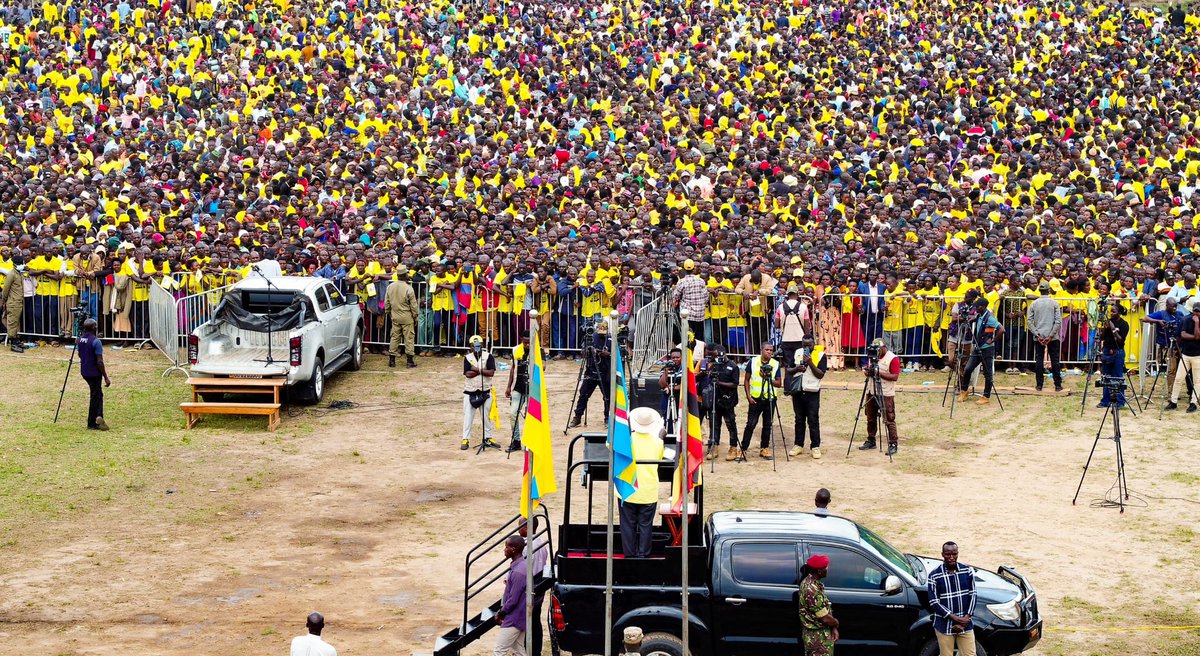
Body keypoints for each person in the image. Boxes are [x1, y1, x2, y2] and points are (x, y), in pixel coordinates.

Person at [622, 407, 665, 559]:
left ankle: (629, 555)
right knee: (646, 525)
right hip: (648, 491)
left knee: (628, 524)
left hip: (628, 489)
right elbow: (660, 457)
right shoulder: (658, 443)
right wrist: (661, 437)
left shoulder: (626, 441)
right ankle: (643, 555)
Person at [928, 542, 977, 656]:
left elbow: (973, 595)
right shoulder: (934, 575)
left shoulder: (967, 571)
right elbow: (933, 601)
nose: (951, 558)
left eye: (954, 554)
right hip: (944, 624)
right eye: (947, 554)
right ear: (942, 554)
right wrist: (955, 618)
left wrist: (966, 618)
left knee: (970, 654)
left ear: (957, 554)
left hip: (965, 623)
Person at [1143, 297, 1188, 410]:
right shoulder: (1160, 314)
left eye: (1175, 306)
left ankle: (1188, 391)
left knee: (1184, 370)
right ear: (1167, 305)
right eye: (1172, 306)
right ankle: (1171, 393)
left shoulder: (1179, 314)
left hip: (1180, 345)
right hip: (1167, 345)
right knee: (1171, 370)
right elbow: (1145, 318)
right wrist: (1157, 321)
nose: (1174, 308)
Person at [786, 336, 827, 459]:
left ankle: (815, 446)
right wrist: (797, 368)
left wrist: (810, 362)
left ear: (814, 343)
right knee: (799, 419)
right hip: (798, 391)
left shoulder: (820, 355)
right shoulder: (797, 352)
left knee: (813, 420)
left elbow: (820, 374)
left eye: (809, 345)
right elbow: (788, 369)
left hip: (812, 391)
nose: (807, 348)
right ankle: (798, 444)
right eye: (804, 345)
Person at [957, 298, 1004, 405]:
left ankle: (986, 396)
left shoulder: (990, 318)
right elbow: (976, 319)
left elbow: (1001, 330)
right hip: (977, 348)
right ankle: (964, 391)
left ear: (982, 307)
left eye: (977, 307)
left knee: (987, 373)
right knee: (968, 369)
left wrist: (992, 340)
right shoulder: (979, 315)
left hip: (987, 349)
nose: (975, 308)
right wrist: (969, 320)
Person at [741, 342, 782, 460]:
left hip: (770, 398)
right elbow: (747, 380)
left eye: (771, 350)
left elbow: (779, 383)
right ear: (761, 350)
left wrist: (768, 378)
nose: (769, 352)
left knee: (767, 425)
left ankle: (764, 448)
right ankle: (743, 448)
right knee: (750, 424)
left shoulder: (775, 364)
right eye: (767, 350)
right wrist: (748, 396)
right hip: (755, 398)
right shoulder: (753, 362)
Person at [860, 338, 900, 456]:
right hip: (871, 390)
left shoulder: (893, 358)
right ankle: (871, 440)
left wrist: (879, 373)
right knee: (870, 417)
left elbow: (895, 376)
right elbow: (870, 370)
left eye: (877, 349)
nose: (875, 351)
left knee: (889, 419)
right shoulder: (872, 357)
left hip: (886, 393)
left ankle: (893, 443)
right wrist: (868, 372)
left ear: (883, 347)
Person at [569, 320, 612, 428]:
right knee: (583, 394)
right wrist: (590, 351)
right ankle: (577, 416)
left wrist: (607, 354)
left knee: (608, 396)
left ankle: (608, 418)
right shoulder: (590, 336)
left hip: (605, 371)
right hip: (591, 370)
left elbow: (616, 355)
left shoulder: (610, 339)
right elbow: (583, 352)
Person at [518, 517, 550, 656]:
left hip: (529, 589)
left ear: (526, 527)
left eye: (519, 526)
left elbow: (524, 570)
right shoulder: (541, 542)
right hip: (538, 587)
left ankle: (529, 650)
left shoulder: (527, 546)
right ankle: (535, 651)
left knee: (527, 622)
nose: (518, 529)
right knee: (535, 621)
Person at [462, 335, 499, 451]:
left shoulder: (489, 357)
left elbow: (491, 372)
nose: (475, 348)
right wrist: (483, 371)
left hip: (485, 390)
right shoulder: (467, 358)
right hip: (470, 391)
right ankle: (465, 439)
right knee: (468, 416)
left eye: (478, 346)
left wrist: (477, 370)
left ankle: (488, 437)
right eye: (473, 346)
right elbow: (467, 374)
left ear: (481, 346)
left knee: (486, 416)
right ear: (470, 347)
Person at [798, 554, 839, 656]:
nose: (827, 569)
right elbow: (824, 618)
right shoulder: (811, 590)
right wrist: (836, 623)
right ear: (819, 571)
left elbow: (824, 609)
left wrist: (833, 628)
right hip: (818, 638)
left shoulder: (812, 583)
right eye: (826, 567)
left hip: (820, 634)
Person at [494, 535, 528, 656]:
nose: (504, 549)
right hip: (520, 616)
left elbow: (513, 599)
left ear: (514, 549)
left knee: (499, 650)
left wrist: (501, 613)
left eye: (506, 547)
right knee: (519, 650)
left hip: (514, 617)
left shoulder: (519, 571)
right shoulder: (520, 566)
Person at [1026, 283, 1063, 392]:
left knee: (1039, 359)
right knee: (1055, 360)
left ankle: (1039, 385)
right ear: (1049, 290)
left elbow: (1029, 321)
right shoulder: (1054, 303)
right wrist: (1051, 335)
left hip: (1039, 336)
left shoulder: (1034, 304)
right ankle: (1057, 384)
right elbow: (1058, 321)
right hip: (1053, 336)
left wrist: (1037, 334)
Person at [708, 346, 741, 461]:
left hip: (728, 400)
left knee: (730, 424)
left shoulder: (733, 366)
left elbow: (735, 384)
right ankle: (714, 446)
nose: (718, 358)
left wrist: (720, 383)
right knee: (715, 424)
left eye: (719, 355)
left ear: (724, 353)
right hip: (716, 400)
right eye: (716, 356)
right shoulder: (715, 365)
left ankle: (733, 447)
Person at [78, 318, 111, 431]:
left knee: (98, 394)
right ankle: (92, 422)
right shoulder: (96, 341)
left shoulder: (80, 340)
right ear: (93, 328)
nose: (97, 327)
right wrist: (106, 377)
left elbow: (79, 354)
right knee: (95, 396)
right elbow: (100, 361)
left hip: (84, 371)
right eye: (95, 326)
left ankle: (99, 416)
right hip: (94, 373)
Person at [384, 265, 419, 368]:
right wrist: (415, 316)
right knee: (409, 337)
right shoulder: (408, 288)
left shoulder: (390, 286)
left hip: (395, 315)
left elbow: (387, 302)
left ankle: (392, 360)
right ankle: (409, 361)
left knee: (395, 337)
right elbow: (413, 305)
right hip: (407, 316)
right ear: (404, 275)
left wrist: (388, 312)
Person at [1169, 304, 1200, 413]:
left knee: (1197, 381)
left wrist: (1196, 323)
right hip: (1186, 354)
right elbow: (1182, 335)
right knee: (1178, 378)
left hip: (1198, 356)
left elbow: (1197, 335)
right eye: (1195, 311)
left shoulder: (1196, 321)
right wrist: (1195, 337)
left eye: (1199, 312)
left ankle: (1193, 403)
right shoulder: (1186, 320)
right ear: (1192, 311)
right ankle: (1173, 402)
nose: (1197, 314)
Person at [1098, 304, 1129, 409]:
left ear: (1119, 313)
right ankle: (1105, 401)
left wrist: (1113, 329)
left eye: (1114, 312)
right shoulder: (1108, 322)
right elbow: (1102, 338)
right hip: (1107, 351)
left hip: (1118, 351)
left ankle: (1120, 402)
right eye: (1110, 311)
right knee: (1106, 377)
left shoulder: (1124, 324)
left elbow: (1121, 340)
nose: (1111, 313)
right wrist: (1104, 328)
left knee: (1117, 377)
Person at [505, 333, 531, 452]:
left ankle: (530, 442)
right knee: (513, 414)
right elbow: (512, 369)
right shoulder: (515, 350)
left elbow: (543, 368)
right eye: (525, 342)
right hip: (518, 387)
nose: (527, 344)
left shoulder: (538, 350)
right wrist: (508, 387)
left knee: (531, 416)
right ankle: (516, 441)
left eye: (529, 342)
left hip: (532, 389)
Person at [672, 259, 709, 340]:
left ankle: (688, 352)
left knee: (687, 337)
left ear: (684, 269)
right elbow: (706, 297)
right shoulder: (701, 281)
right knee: (699, 338)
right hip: (700, 314)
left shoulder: (681, 282)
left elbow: (675, 296)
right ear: (694, 268)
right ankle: (698, 352)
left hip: (687, 315)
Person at [775, 283, 811, 364]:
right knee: (799, 364)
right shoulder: (803, 307)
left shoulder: (780, 307)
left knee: (788, 365)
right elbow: (807, 326)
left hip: (786, 339)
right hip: (800, 339)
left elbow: (776, 325)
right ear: (797, 294)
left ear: (787, 294)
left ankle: (788, 377)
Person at [658, 347, 684, 435]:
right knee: (667, 417)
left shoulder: (684, 369)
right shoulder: (665, 368)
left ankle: (680, 438)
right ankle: (669, 436)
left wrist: (671, 388)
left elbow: (685, 384)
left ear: (682, 357)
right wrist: (666, 371)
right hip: (667, 397)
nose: (675, 359)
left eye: (678, 357)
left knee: (680, 417)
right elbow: (661, 384)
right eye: (673, 358)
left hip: (680, 398)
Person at [2, 255, 24, 352]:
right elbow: (6, 289)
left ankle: (16, 340)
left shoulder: (18, 273)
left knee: (16, 322)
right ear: (14, 264)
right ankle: (13, 343)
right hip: (13, 302)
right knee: (12, 323)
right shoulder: (11, 274)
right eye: (19, 264)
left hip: (18, 301)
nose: (21, 265)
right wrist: (4, 300)